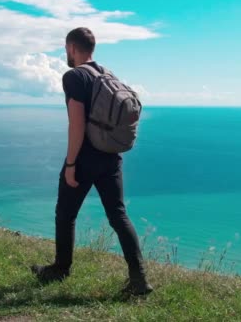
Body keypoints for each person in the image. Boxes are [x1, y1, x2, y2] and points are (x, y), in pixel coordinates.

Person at [30, 27, 153, 296]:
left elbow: (77, 123)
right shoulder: (107, 74)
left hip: (85, 156)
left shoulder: (74, 76)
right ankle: (139, 280)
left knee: (65, 214)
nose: (66, 54)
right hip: (110, 156)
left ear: (71, 48)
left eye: (66, 49)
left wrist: (72, 164)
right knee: (119, 216)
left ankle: (60, 269)